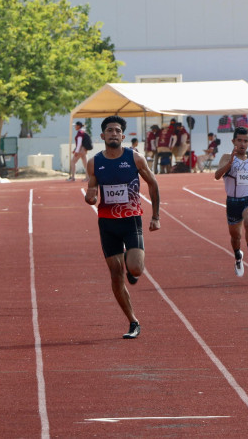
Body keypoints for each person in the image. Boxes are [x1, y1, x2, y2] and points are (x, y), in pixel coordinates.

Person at [84, 115, 161, 339]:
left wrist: (156, 216)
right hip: (107, 223)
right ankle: (133, 321)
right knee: (116, 275)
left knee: (135, 269)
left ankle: (130, 259)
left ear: (123, 135)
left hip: (131, 219)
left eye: (118, 130)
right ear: (103, 135)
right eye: (110, 130)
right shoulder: (94, 162)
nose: (114, 134)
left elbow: (153, 183)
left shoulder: (135, 158)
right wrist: (90, 197)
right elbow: (92, 191)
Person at [214, 126, 248, 277]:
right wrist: (229, 163)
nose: (242, 144)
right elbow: (217, 176)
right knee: (235, 236)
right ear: (233, 141)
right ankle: (238, 256)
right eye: (239, 141)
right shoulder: (225, 157)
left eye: (245, 141)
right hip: (233, 202)